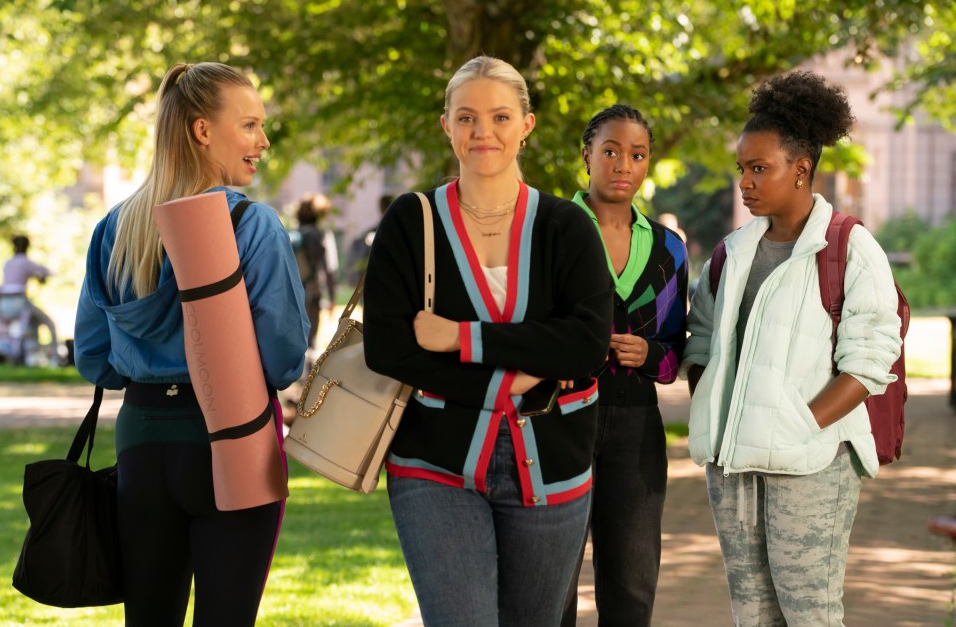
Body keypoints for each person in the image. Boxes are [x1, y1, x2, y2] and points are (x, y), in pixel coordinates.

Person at [363, 55, 614, 626]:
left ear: (526, 125)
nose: (484, 132)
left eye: (500, 117)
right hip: (434, 462)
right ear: (445, 125)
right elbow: (390, 349)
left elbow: (585, 347)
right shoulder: (412, 221)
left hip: (553, 462)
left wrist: (459, 337)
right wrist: (515, 377)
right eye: (467, 117)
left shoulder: (566, 226)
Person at [74, 62, 309, 626]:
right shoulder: (252, 225)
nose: (264, 140)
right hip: (233, 439)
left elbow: (93, 359)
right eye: (250, 125)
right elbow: (282, 361)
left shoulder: (116, 227)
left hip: (142, 445)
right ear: (203, 131)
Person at [681, 71, 902, 625]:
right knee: (752, 614)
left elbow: (872, 358)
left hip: (812, 465)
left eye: (760, 169)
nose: (745, 183)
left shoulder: (849, 247)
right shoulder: (732, 252)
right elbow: (702, 338)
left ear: (801, 169)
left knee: (810, 613)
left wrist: (799, 424)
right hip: (733, 469)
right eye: (742, 169)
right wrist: (714, 406)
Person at [561, 105, 689, 627]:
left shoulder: (669, 249)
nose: (622, 165)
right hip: (558, 419)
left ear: (648, 163)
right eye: (610, 151)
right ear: (586, 156)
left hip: (637, 425)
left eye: (636, 155)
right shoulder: (551, 230)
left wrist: (650, 354)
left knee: (632, 584)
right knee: (552, 581)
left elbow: (678, 348)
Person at [0, 235, 59, 361]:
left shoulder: (8, 263)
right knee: (48, 323)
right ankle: (55, 358)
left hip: (2, 304)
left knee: (32, 323)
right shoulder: (26, 262)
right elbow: (50, 272)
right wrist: (41, 277)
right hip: (19, 303)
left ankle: (30, 357)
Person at [293, 192, 337, 349]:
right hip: (313, 291)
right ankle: (310, 371)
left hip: (294, 292)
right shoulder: (321, 235)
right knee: (311, 339)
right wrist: (332, 297)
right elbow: (330, 268)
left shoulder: (294, 233)